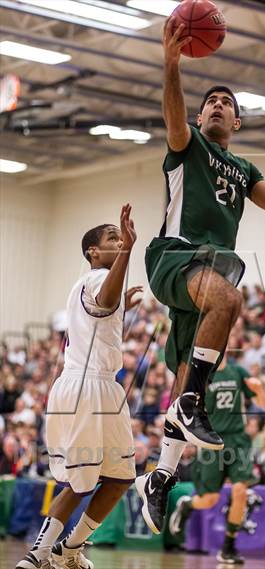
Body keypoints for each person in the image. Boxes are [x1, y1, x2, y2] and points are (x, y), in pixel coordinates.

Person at [136, 17, 265, 535]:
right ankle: (187, 407)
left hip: (206, 268)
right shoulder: (187, 145)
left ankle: (158, 478)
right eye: (211, 100)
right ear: (201, 114)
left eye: (227, 102)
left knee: (190, 372)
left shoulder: (244, 168)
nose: (218, 105)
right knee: (228, 303)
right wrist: (171, 65)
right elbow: (174, 114)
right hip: (175, 256)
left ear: (239, 122)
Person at [16, 205, 142, 569]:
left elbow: (104, 316)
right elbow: (104, 298)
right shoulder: (95, 279)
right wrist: (130, 250)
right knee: (81, 482)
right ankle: (38, 552)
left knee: (120, 478)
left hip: (102, 387)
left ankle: (70, 548)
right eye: (112, 238)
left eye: (121, 238)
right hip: (86, 388)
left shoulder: (95, 285)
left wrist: (122, 307)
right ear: (93, 252)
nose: (119, 242)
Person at [168, 355, 265, 564]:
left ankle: (228, 547)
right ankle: (187, 505)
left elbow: (264, 404)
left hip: (238, 439)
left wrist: (259, 390)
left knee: (240, 490)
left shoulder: (237, 372)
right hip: (211, 441)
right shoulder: (201, 375)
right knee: (209, 500)